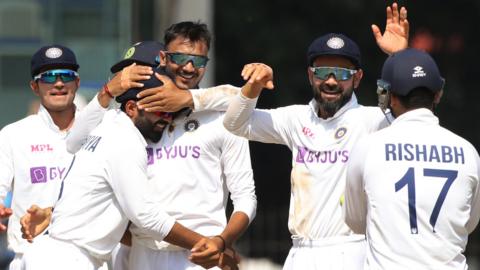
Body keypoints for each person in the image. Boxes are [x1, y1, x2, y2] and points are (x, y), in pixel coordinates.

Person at [212, 3, 409, 269]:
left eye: (341, 74)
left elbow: (413, 118)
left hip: (351, 250)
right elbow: (236, 124)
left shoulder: (371, 120)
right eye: (321, 72)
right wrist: (253, 85)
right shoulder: (296, 119)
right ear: (309, 75)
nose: (330, 81)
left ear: (358, 78)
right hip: (300, 252)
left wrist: (399, 59)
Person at [19, 73, 224, 270]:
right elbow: (146, 216)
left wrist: (51, 212)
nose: (167, 120)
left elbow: (78, 157)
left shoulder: (107, 122)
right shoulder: (127, 140)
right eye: (160, 111)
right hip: (69, 259)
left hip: (59, 252)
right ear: (132, 107)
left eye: (170, 112)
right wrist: (208, 244)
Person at [0, 44, 139, 270]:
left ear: (77, 82)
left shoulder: (106, 130)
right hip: (30, 257)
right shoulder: (13, 135)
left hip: (92, 258)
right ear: (34, 86)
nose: (58, 83)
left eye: (66, 75)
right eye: (48, 77)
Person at [344, 48, 480, 269]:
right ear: (438, 94)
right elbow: (469, 222)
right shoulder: (468, 152)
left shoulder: (368, 147)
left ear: (388, 96)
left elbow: (356, 221)